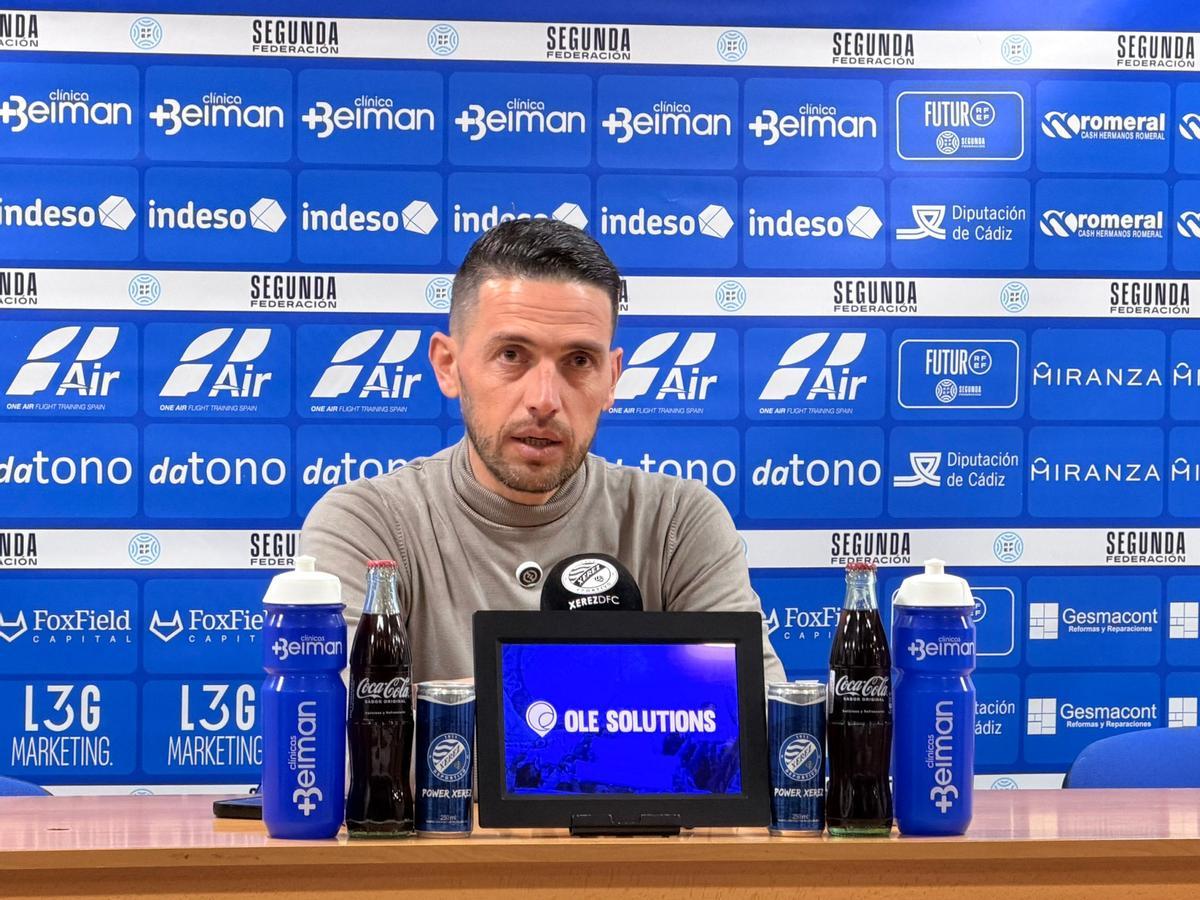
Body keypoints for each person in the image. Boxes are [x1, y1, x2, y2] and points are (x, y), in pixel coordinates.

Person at [299, 218, 785, 683]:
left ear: (612, 379)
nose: (545, 400)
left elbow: (753, 721)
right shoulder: (367, 525)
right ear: (448, 365)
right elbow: (342, 729)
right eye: (512, 355)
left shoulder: (678, 521)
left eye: (579, 361)